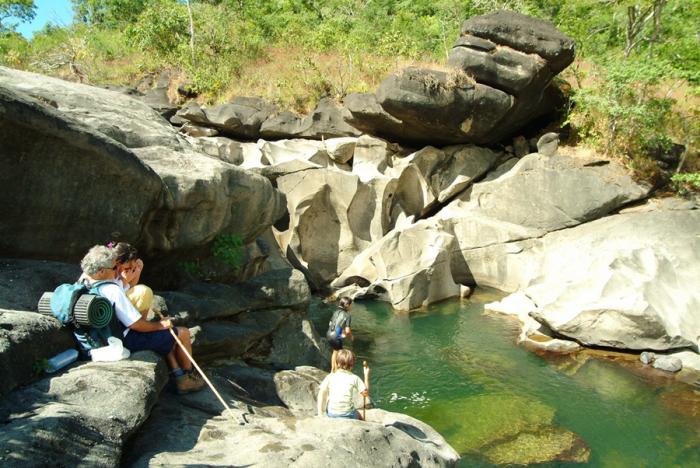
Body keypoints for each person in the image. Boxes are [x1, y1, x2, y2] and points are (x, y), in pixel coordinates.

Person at [79, 245, 204, 394]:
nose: (117, 271)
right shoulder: (111, 290)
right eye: (114, 268)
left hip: (96, 340)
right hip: (122, 340)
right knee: (182, 333)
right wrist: (160, 325)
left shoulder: (82, 282)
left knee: (168, 336)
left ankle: (177, 375)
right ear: (101, 271)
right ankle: (186, 378)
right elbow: (136, 324)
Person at [317, 349, 369, 420]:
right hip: (348, 414)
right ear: (352, 365)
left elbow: (321, 393)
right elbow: (365, 394)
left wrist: (320, 413)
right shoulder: (354, 378)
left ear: (337, 363)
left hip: (332, 413)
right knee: (359, 415)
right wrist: (366, 375)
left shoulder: (330, 376)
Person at [112, 242, 152, 318]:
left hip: (120, 303)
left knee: (145, 291)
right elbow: (111, 295)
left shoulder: (122, 269)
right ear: (117, 262)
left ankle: (141, 324)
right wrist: (124, 281)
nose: (130, 269)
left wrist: (138, 271)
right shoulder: (108, 269)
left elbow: (131, 287)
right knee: (144, 291)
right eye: (127, 268)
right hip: (108, 308)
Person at [326, 297, 353, 373]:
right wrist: (350, 336)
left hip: (328, 334)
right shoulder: (347, 316)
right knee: (340, 354)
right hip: (336, 337)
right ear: (347, 305)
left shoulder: (335, 312)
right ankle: (337, 371)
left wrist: (340, 332)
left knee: (335, 352)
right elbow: (348, 331)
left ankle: (332, 370)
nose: (352, 306)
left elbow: (330, 323)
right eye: (351, 305)